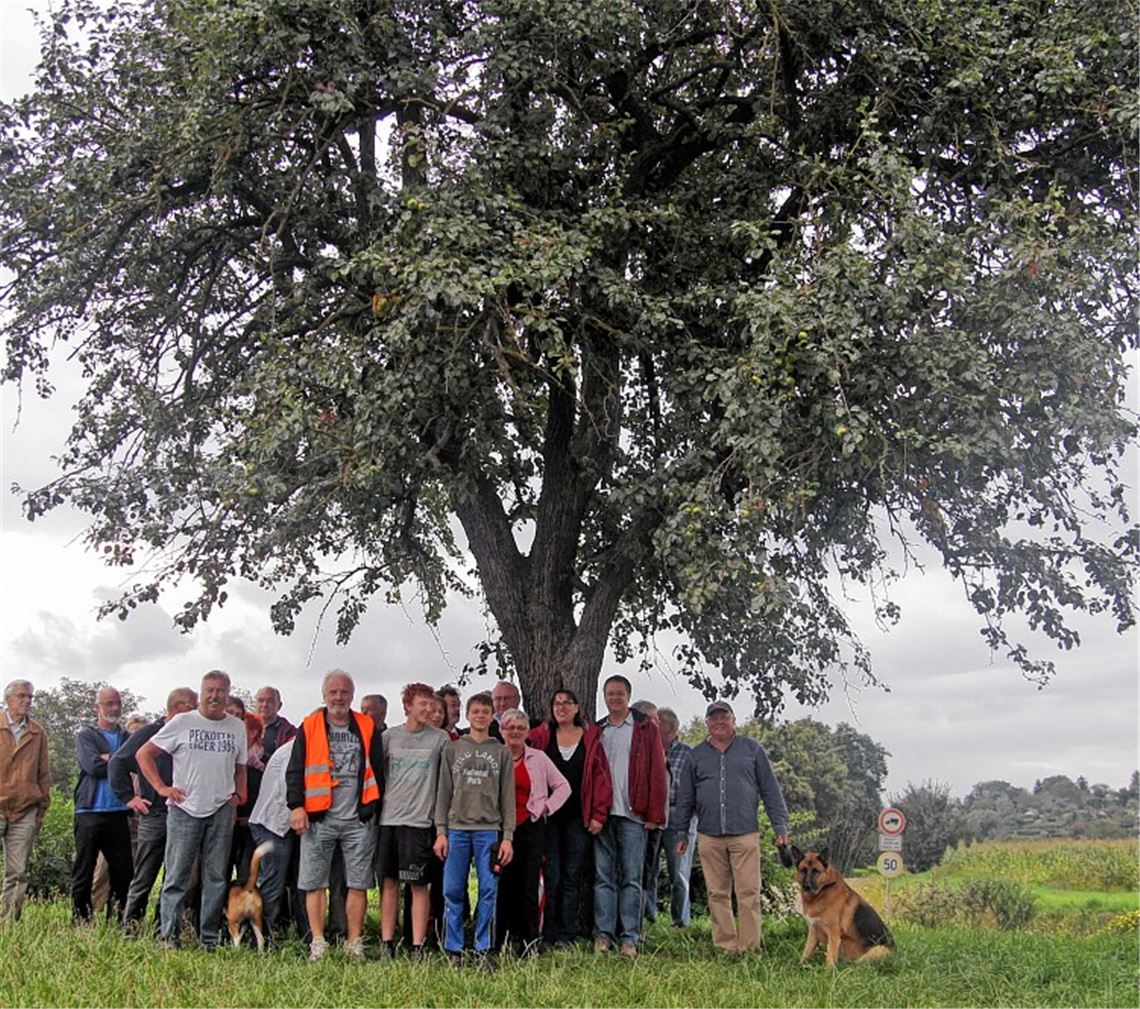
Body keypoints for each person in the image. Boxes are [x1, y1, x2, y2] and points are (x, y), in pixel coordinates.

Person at [137, 670, 248, 950]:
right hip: (184, 808)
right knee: (177, 876)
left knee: (216, 877)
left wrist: (239, 794)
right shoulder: (183, 722)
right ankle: (168, 937)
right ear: (201, 693)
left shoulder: (237, 727)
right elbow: (144, 754)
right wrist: (161, 787)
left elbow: (240, 767)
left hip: (221, 808)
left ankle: (209, 938)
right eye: (210, 690)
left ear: (228, 694)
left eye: (221, 691)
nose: (215, 696)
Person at [674, 700, 789, 955]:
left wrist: (780, 826)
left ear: (733, 720)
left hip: (745, 833)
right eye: (714, 718)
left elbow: (771, 790)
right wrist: (681, 832)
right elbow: (685, 798)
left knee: (749, 892)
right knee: (717, 893)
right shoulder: (696, 755)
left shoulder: (752, 750)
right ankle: (726, 946)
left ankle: (749, 947)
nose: (719, 722)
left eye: (723, 717)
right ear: (707, 723)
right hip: (709, 834)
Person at [287, 669, 383, 961]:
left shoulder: (366, 726)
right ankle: (318, 942)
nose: (338, 697)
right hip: (319, 818)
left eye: (344, 692)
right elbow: (295, 769)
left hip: (358, 819)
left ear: (352, 695)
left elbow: (379, 770)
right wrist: (296, 806)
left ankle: (354, 943)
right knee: (314, 882)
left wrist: (372, 810)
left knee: (358, 883)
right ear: (324, 695)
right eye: (333, 692)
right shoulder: (309, 726)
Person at [434, 692, 514, 969]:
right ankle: (453, 948)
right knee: (452, 889)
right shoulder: (452, 749)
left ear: (492, 717)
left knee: (488, 890)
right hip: (456, 829)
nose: (480, 716)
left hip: (488, 831)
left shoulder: (501, 752)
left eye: (485, 712)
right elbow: (443, 792)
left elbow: (508, 798)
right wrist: (441, 831)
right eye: (475, 711)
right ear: (468, 715)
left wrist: (507, 836)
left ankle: (483, 947)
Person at [527, 688, 612, 947]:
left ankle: (566, 934)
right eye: (557, 703)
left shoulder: (591, 738)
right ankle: (546, 933)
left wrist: (598, 814)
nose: (561, 707)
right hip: (548, 819)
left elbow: (601, 778)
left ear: (577, 708)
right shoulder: (541, 737)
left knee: (572, 877)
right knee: (550, 876)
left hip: (578, 818)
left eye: (567, 703)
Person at [109, 687, 198, 932]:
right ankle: (131, 926)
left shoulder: (190, 733)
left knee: (175, 875)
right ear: (179, 707)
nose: (196, 712)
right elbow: (118, 762)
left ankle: (164, 927)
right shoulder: (150, 733)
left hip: (183, 813)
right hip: (155, 813)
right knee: (145, 873)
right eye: (193, 706)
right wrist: (129, 797)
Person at [593, 675, 667, 957]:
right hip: (604, 815)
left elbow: (657, 772)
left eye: (619, 693)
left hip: (634, 815)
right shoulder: (598, 730)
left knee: (632, 879)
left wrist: (655, 813)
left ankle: (630, 937)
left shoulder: (644, 728)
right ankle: (603, 935)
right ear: (604, 697)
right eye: (610, 693)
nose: (614, 698)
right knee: (603, 878)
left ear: (628, 696)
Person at [377, 683, 450, 961]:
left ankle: (417, 945)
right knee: (389, 883)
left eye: (432, 705)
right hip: (389, 819)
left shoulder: (440, 739)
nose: (429, 710)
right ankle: (387, 942)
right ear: (407, 706)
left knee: (419, 885)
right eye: (423, 704)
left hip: (420, 822)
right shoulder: (389, 737)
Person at [496, 708, 570, 957]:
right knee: (502, 885)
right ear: (501, 730)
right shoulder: (495, 756)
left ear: (528, 732)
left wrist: (545, 807)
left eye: (520, 728)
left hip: (530, 825)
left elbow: (563, 786)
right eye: (510, 727)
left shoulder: (538, 758)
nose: (515, 732)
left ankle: (529, 942)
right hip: (500, 827)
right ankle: (500, 940)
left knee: (529, 886)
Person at [71, 686, 133, 923]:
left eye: (117, 703)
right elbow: (92, 766)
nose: (114, 708)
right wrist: (119, 761)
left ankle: (120, 920)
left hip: (119, 812)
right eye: (109, 703)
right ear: (96, 707)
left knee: (124, 872)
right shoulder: (86, 735)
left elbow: (135, 763)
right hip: (89, 811)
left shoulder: (127, 736)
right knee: (84, 870)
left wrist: (108, 758)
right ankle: (80, 920)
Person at [0, 679, 51, 923]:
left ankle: (8, 923)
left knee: (18, 871)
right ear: (7, 699)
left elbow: (44, 773)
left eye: (30, 697)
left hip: (25, 809)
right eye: (22, 696)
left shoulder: (37, 732)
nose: (27, 701)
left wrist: (42, 809)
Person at [247, 736, 294, 941]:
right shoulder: (294, 751)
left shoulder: (294, 747)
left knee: (295, 882)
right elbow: (287, 789)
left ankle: (305, 934)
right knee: (273, 883)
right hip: (273, 823)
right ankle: (262, 935)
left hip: (285, 824)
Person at [657, 707, 698, 928]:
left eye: (659, 725)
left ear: (671, 729)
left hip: (680, 816)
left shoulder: (688, 754)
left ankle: (680, 922)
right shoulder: (650, 750)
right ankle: (648, 917)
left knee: (679, 873)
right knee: (648, 871)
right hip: (653, 815)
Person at [631, 700, 664, 924]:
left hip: (656, 821)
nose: (657, 724)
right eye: (653, 720)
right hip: (641, 819)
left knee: (648, 871)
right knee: (636, 872)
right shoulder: (638, 745)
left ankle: (643, 918)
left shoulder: (658, 745)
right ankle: (634, 921)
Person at [254, 686, 297, 760]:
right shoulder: (243, 726)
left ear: (279, 705)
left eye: (270, 701)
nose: (265, 705)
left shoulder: (290, 733)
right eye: (260, 700)